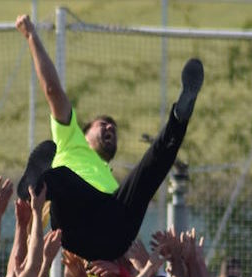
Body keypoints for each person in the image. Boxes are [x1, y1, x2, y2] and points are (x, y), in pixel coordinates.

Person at [15, 14, 203, 263]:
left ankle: (179, 116)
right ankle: (30, 189)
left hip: (112, 235)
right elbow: (52, 89)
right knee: (54, 173)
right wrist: (31, 36)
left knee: (149, 170)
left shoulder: (114, 186)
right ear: (83, 132)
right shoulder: (70, 139)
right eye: (103, 124)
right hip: (75, 223)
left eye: (113, 129)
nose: (110, 129)